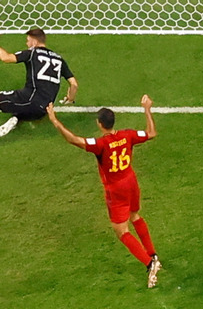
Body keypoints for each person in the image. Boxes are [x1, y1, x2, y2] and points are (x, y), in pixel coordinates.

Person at [45, 95, 162, 288]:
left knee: (121, 231)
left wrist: (55, 121)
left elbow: (73, 139)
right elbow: (151, 133)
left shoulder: (100, 145)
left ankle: (150, 264)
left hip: (116, 189)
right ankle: (153, 254)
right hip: (131, 182)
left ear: (100, 124)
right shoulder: (127, 135)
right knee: (135, 215)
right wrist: (147, 109)